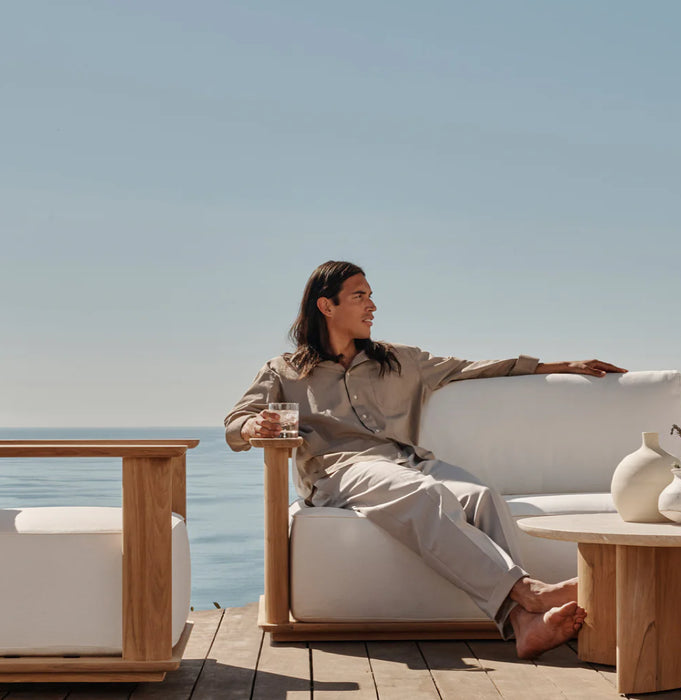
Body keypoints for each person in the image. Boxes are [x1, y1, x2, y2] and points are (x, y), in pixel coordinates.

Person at [225, 260, 627, 658]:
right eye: (359, 296)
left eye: (371, 296)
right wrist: (252, 428)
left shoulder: (398, 360)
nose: (372, 306)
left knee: (481, 496)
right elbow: (237, 421)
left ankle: (522, 624)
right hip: (339, 472)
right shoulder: (285, 370)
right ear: (326, 306)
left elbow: (472, 369)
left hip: (407, 460)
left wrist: (559, 366)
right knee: (423, 492)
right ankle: (527, 591)